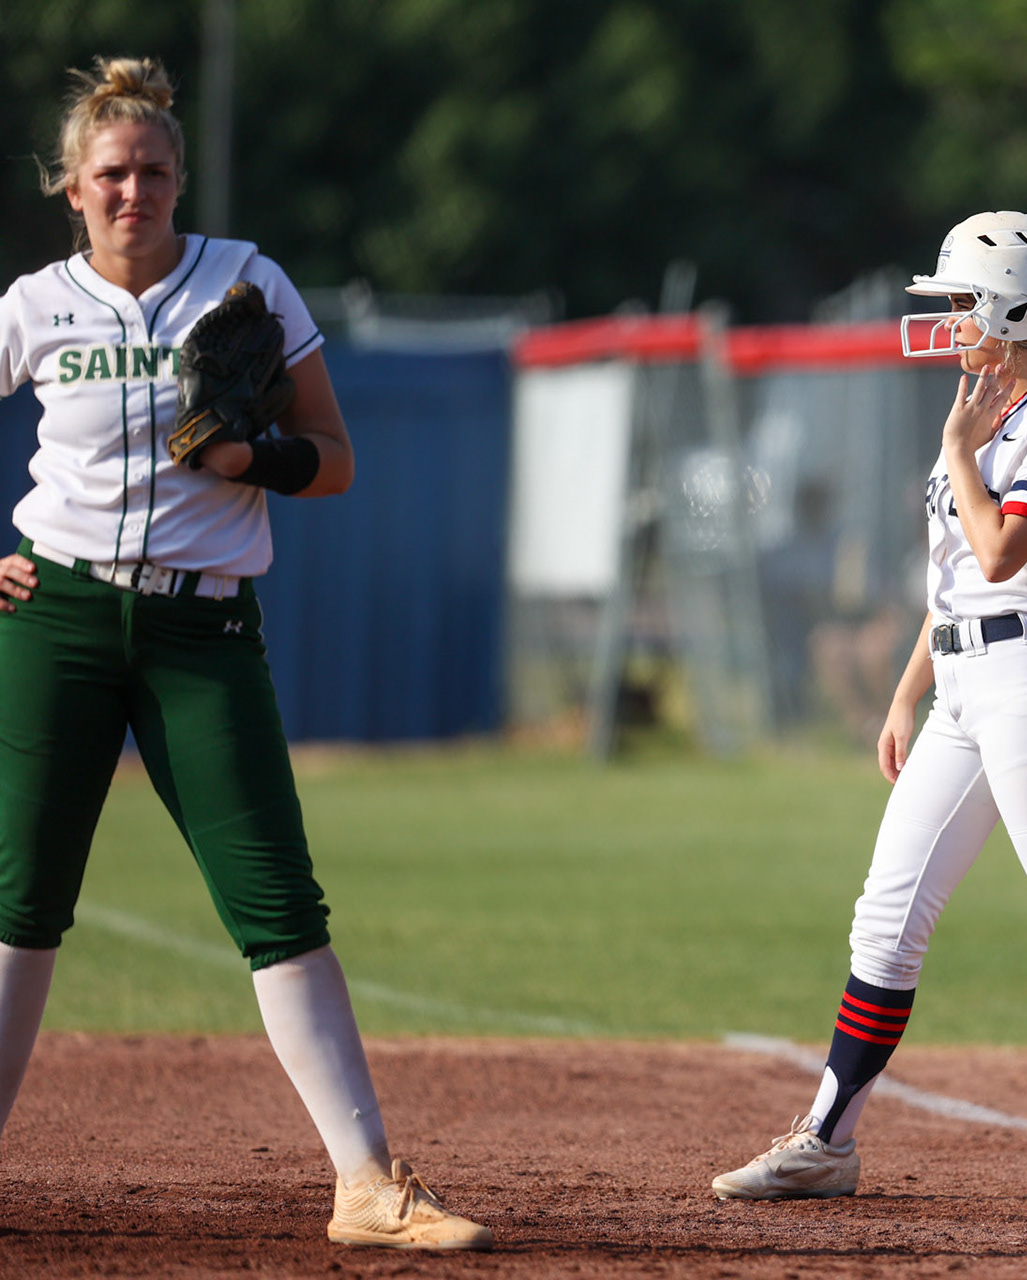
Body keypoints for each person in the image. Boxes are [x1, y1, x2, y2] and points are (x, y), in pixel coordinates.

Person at [0, 58, 491, 1249]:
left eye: (153, 171)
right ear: (73, 187)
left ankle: (367, 1185)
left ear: (180, 177)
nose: (134, 191)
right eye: (111, 174)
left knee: (278, 901)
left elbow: (334, 456)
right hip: (56, 616)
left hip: (201, 626)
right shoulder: (34, 305)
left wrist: (247, 461)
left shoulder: (242, 281)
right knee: (21, 903)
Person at [711, 212, 1027, 1221]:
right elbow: (955, 589)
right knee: (887, 917)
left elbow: (1002, 557)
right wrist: (909, 693)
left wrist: (955, 445)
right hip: (966, 681)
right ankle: (826, 1139)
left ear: (1020, 304)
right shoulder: (993, 412)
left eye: (961, 300)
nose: (947, 318)